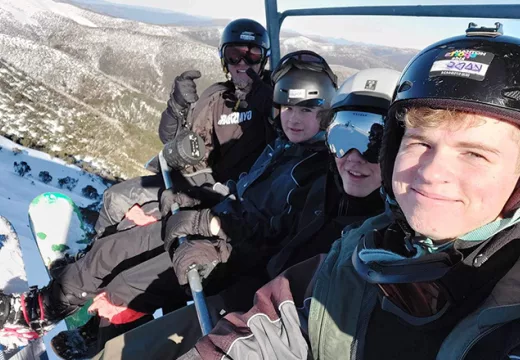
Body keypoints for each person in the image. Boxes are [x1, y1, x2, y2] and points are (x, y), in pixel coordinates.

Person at [173, 28, 520, 360]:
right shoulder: (357, 252)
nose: (431, 173)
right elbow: (271, 323)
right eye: (419, 143)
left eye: (475, 154)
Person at [0, 51, 337, 351]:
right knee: (115, 245)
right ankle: (41, 310)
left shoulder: (312, 169)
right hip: (214, 220)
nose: (294, 118)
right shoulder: (282, 146)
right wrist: (193, 196)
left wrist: (208, 222)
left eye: (306, 109)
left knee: (124, 288)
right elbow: (240, 187)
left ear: (325, 113)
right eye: (288, 107)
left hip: (225, 249)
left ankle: (99, 338)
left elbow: (272, 232)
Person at [92, 67, 400, 360]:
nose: (354, 158)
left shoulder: (385, 237)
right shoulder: (327, 188)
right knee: (132, 342)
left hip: (270, 321)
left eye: (375, 143)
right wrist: (212, 231)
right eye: (343, 138)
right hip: (254, 288)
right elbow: (276, 233)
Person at [94, 18, 276, 237]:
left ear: (264, 59)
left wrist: (264, 99)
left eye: (253, 54)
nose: (243, 63)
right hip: (206, 178)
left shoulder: (277, 96)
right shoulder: (217, 97)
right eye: (234, 55)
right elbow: (178, 140)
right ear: (224, 60)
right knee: (116, 198)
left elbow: (291, 132)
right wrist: (177, 106)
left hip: (246, 193)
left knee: (142, 228)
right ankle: (90, 250)